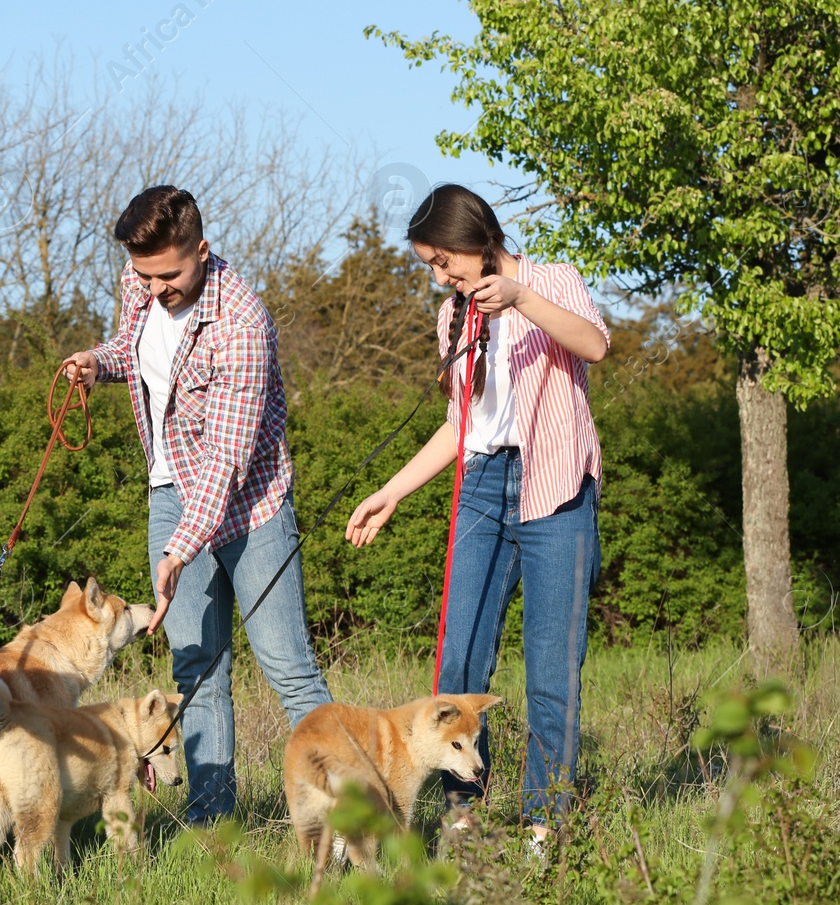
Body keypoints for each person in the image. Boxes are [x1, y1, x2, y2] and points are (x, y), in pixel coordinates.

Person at [344, 184, 608, 844]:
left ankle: (546, 819)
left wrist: (521, 299)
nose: (441, 276)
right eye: (432, 266)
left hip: (556, 486)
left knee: (552, 663)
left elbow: (595, 345)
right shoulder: (453, 315)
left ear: (476, 238)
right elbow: (459, 426)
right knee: (457, 662)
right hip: (482, 484)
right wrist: (393, 490)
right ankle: (464, 810)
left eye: (443, 261)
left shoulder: (552, 281)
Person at [62, 185, 331, 823]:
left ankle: (349, 812)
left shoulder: (242, 321)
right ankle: (213, 824)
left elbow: (227, 460)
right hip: (169, 491)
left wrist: (179, 548)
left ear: (202, 251)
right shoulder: (141, 284)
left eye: (170, 274)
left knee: (287, 667)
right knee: (195, 669)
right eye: (143, 275)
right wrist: (97, 366)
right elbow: (137, 351)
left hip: (250, 506)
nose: (155, 288)